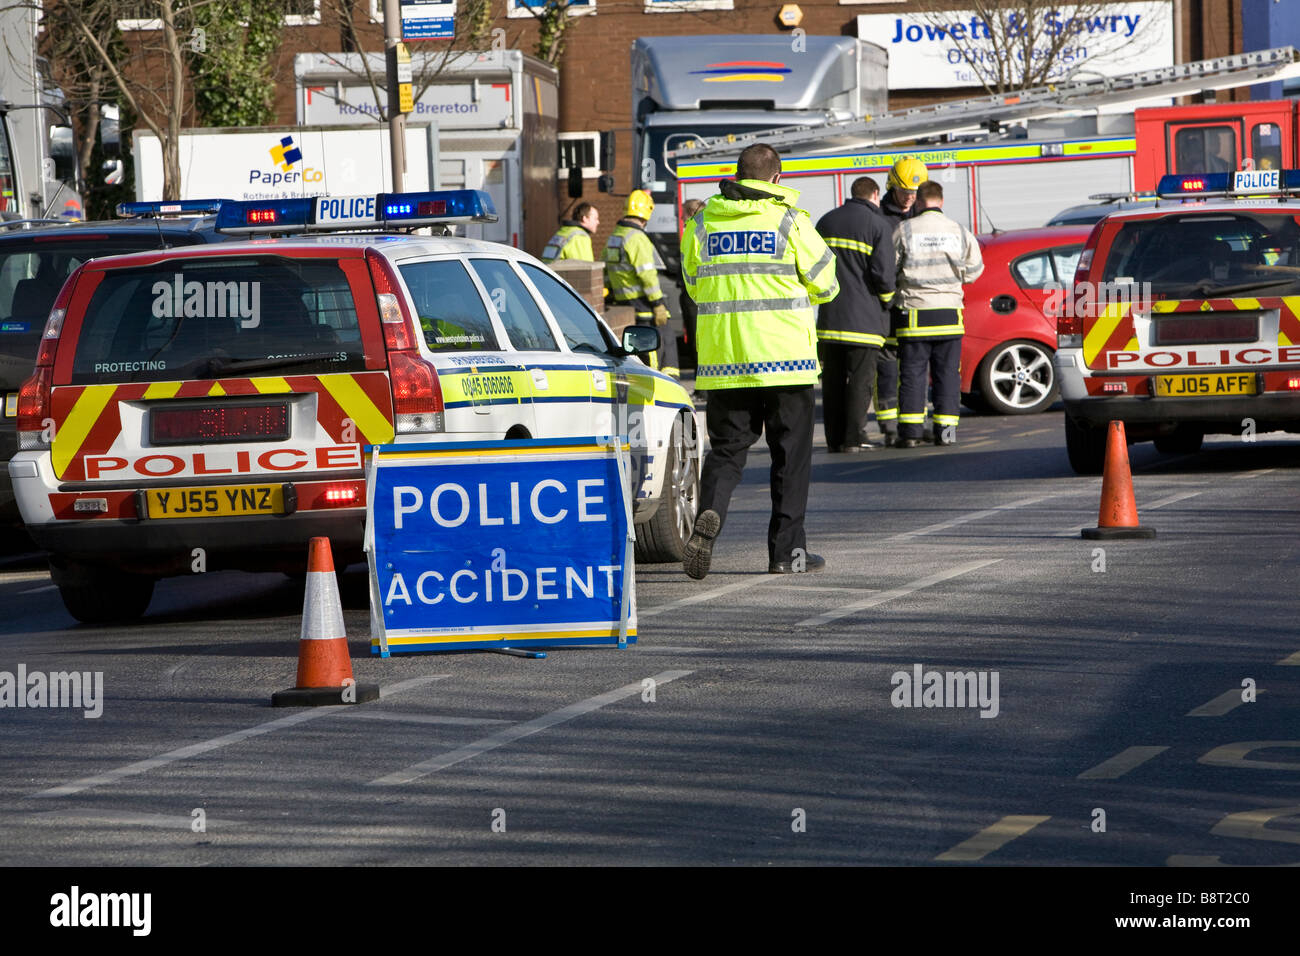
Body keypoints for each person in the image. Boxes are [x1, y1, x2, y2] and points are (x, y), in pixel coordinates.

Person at [679, 143, 839, 578]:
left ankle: (709, 515)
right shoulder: (790, 222)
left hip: (726, 362)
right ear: (776, 178)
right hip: (786, 361)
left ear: (737, 174)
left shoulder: (702, 222)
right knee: (790, 458)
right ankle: (788, 555)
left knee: (727, 453)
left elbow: (693, 286)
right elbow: (827, 284)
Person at [892, 180, 983, 448]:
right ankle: (946, 434)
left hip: (914, 313)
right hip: (949, 315)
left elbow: (890, 268)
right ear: (941, 202)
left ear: (919, 201)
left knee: (912, 374)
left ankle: (910, 435)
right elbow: (975, 270)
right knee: (947, 375)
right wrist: (954, 282)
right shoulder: (959, 231)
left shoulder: (904, 230)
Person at [815, 176, 896, 453]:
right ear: (875, 194)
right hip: (864, 322)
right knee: (860, 384)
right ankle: (854, 438)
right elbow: (883, 275)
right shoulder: (878, 225)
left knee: (833, 384)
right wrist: (887, 301)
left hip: (829, 320)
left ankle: (834, 440)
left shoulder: (825, 221)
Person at [874, 156, 929, 446]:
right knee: (886, 365)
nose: (909, 198)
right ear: (891, 186)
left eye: (915, 194)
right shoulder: (880, 217)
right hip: (888, 304)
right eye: (905, 192)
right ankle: (889, 425)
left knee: (914, 367)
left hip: (916, 304)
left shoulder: (925, 217)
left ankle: (913, 424)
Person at [604, 189, 679, 377]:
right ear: (647, 214)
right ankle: (664, 379)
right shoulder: (637, 238)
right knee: (660, 340)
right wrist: (658, 303)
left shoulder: (615, 236)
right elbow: (647, 276)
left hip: (623, 302)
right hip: (643, 302)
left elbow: (605, 269)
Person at [677, 198, 705, 377]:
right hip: (702, 294)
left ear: (691, 213)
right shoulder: (707, 228)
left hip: (694, 295)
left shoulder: (693, 231)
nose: (681, 218)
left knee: (697, 341)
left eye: (683, 214)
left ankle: (702, 384)